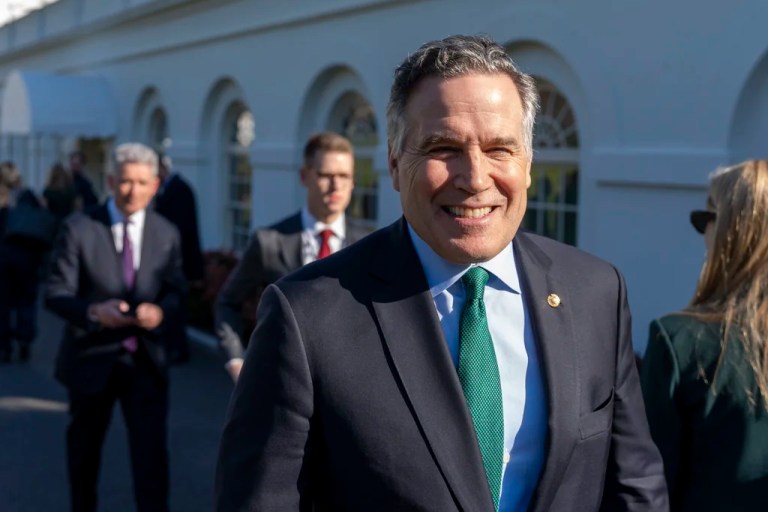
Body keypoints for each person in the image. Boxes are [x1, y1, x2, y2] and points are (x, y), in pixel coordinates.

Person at [214, 35, 668, 511]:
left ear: (528, 163)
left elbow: (634, 484)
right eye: (444, 147)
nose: (474, 178)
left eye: (499, 149)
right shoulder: (307, 315)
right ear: (393, 161)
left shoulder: (596, 292)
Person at [46, 143, 186, 512]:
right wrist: (94, 312)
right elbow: (56, 293)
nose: (133, 191)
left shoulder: (167, 233)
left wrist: (161, 313)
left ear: (155, 184)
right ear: (110, 181)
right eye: (125, 181)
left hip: (145, 363)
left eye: (142, 183)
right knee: (84, 457)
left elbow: (176, 290)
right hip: (91, 361)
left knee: (151, 458)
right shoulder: (79, 228)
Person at [641, 159, 768, 511]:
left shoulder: (679, 341)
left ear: (729, 229)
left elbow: (650, 486)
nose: (702, 232)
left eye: (705, 218)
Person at [214, 131, 368, 381]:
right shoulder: (269, 242)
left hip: (347, 387)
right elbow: (227, 303)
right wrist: (236, 360)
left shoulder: (367, 246)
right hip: (279, 384)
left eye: (344, 176)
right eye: (326, 175)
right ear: (304, 176)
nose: (335, 186)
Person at [153, 154, 205, 363]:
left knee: (177, 304)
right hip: (167, 259)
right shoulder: (166, 190)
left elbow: (184, 229)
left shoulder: (181, 190)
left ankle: (178, 349)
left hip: (178, 259)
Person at [0, 162, 48, 362]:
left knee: (2, 303)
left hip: (3, 257)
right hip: (28, 256)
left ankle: (4, 345)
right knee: (26, 300)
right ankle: (24, 338)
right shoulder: (28, 195)